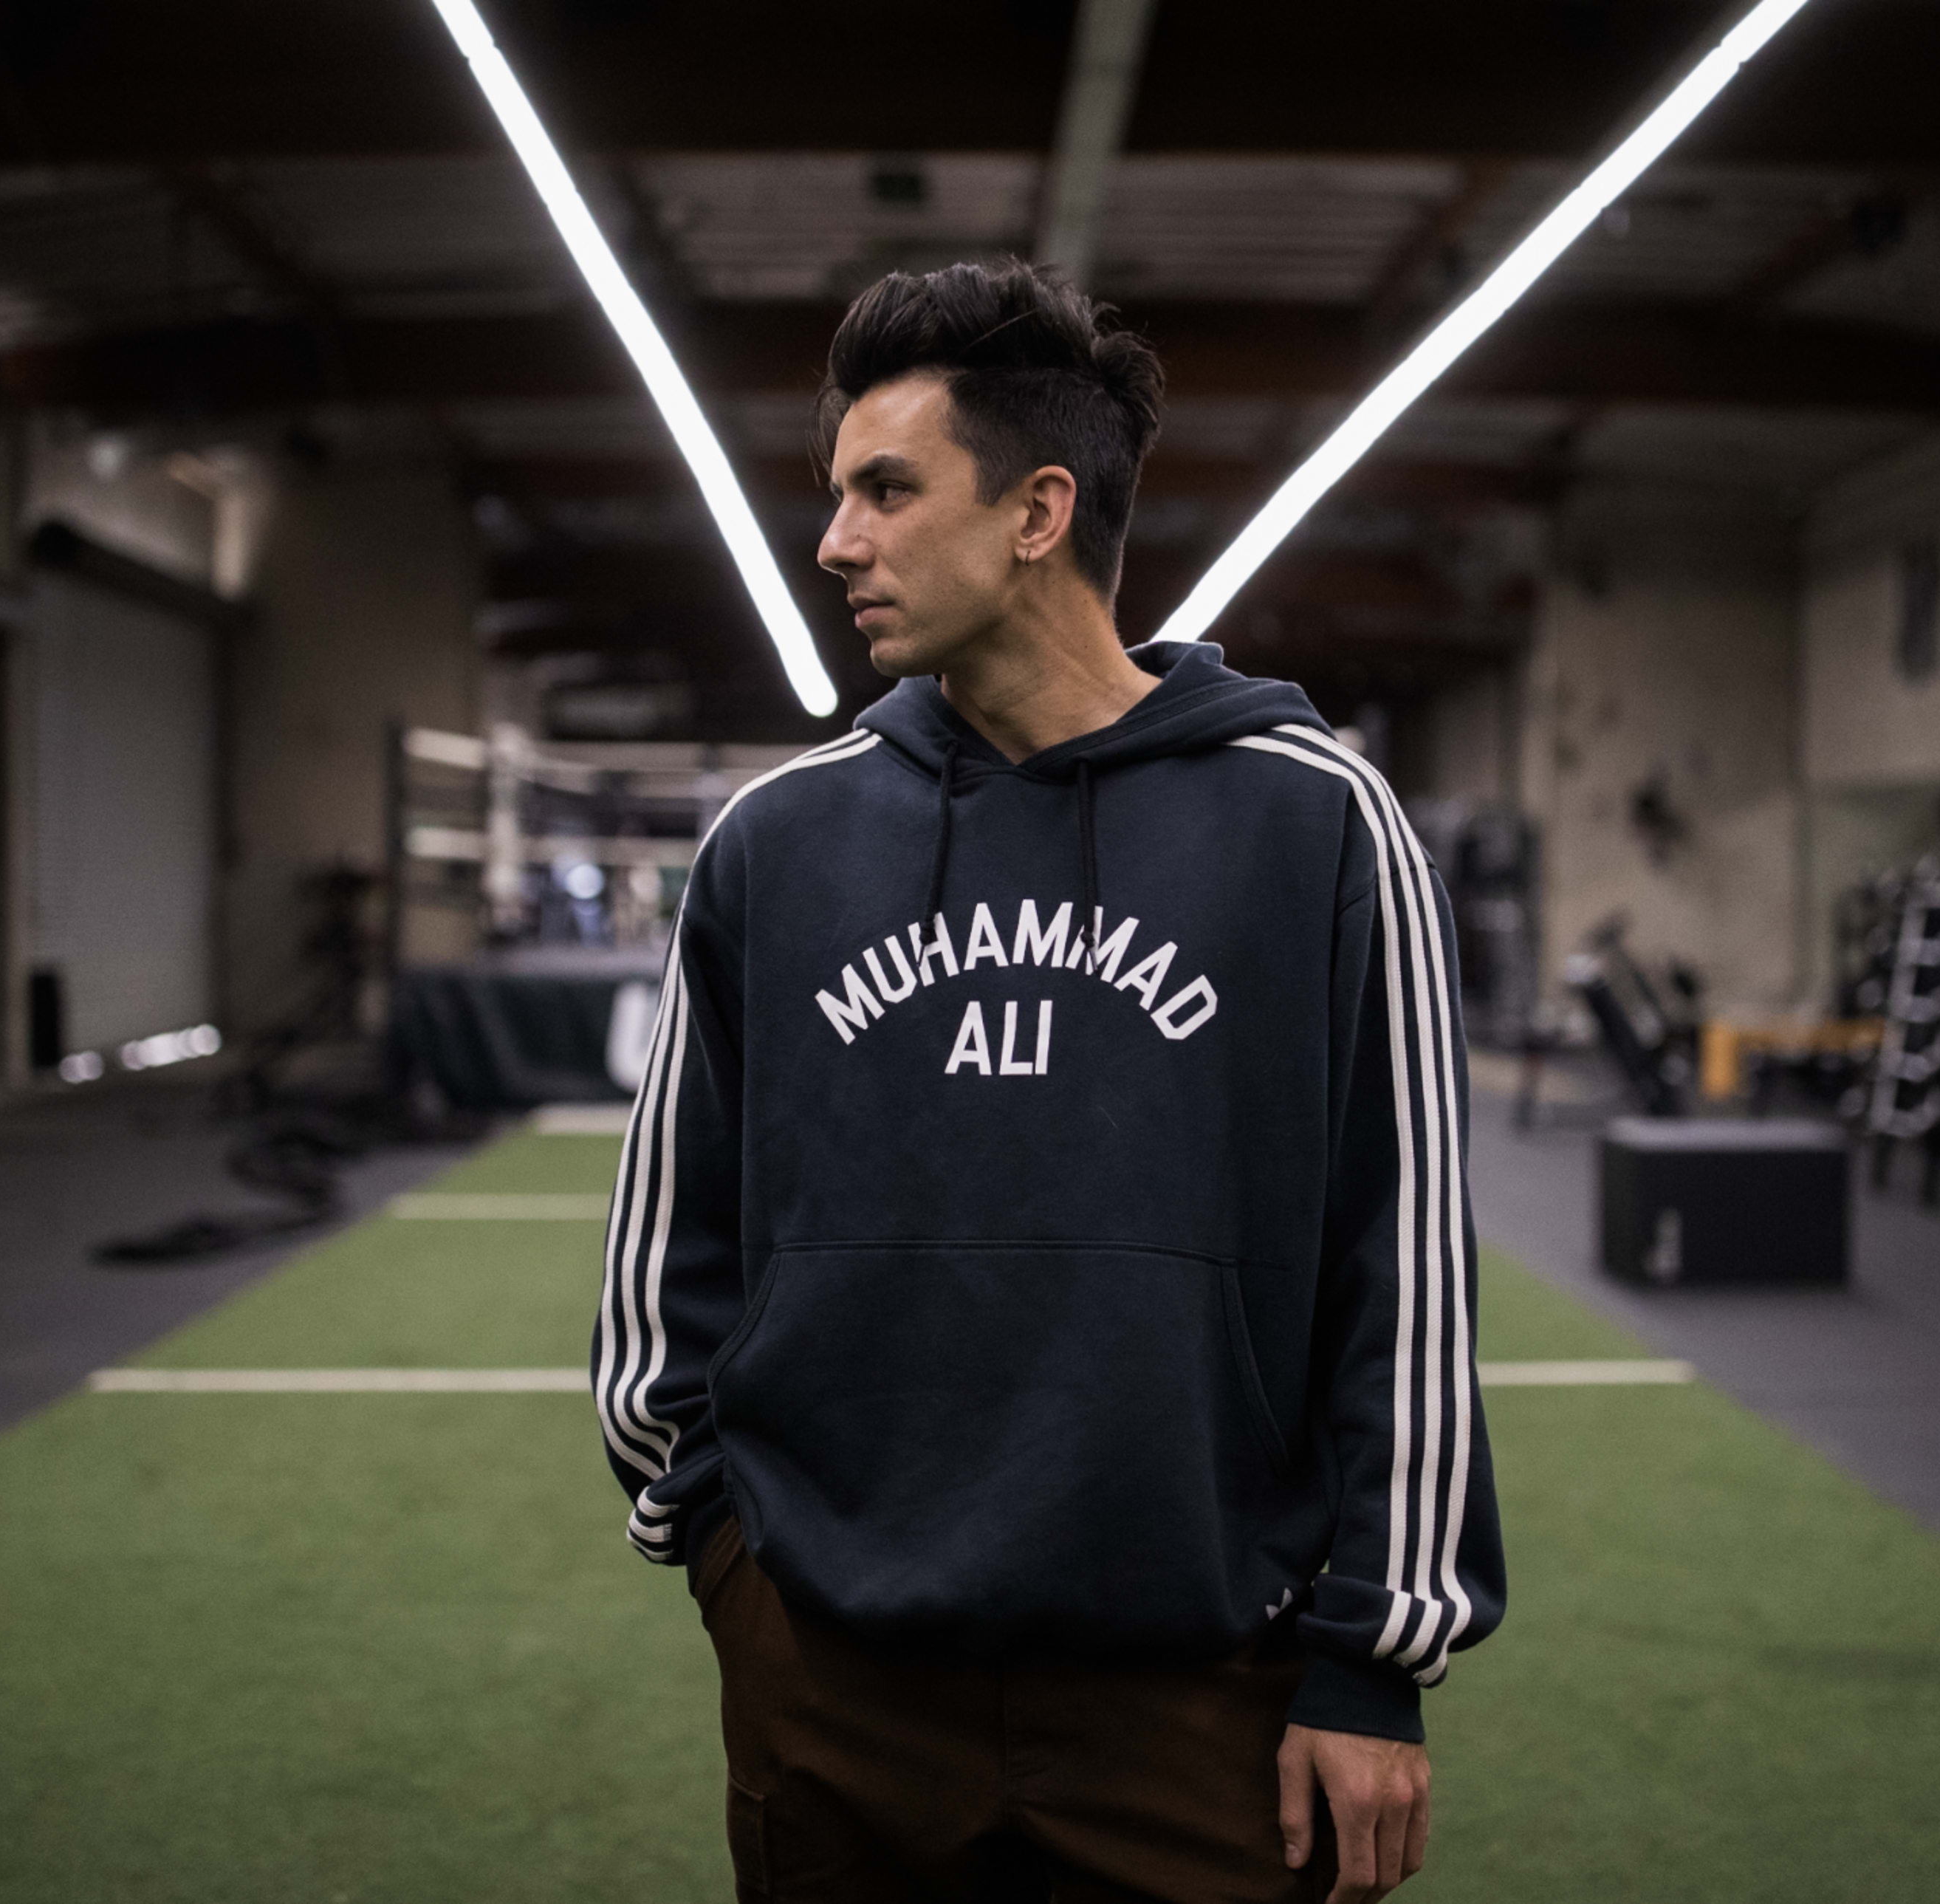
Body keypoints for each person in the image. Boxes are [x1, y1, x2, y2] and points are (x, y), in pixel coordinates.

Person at [592, 258, 1502, 1904]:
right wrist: (736, 1569)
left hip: (1200, 1700)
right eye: (835, 494)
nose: (835, 541)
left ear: (1038, 512)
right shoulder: (773, 846)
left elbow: (1406, 1266)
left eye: (886, 489)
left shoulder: (1313, 824)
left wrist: (1376, 1657)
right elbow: (671, 1266)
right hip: (838, 1691)